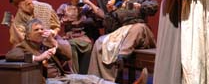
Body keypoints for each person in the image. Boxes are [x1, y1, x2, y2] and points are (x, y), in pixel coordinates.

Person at [6, 18, 146, 84]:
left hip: (63, 76)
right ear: (28, 34)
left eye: (42, 28)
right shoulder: (24, 46)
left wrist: (54, 42)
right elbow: (11, 55)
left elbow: (67, 54)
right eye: (37, 30)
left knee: (92, 79)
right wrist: (37, 58)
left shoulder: (48, 41)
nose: (41, 31)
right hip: (46, 80)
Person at [88, 0, 157, 82]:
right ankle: (97, 79)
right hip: (123, 32)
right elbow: (110, 27)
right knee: (100, 41)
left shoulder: (139, 0)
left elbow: (154, 6)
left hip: (141, 32)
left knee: (137, 27)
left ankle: (122, 57)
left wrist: (141, 6)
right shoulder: (118, 7)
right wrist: (110, 12)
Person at [57, 0, 101, 74]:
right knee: (72, 45)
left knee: (89, 46)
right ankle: (75, 76)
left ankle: (84, 75)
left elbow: (101, 15)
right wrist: (66, 20)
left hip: (82, 35)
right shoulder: (64, 7)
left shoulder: (85, 7)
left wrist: (89, 3)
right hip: (70, 35)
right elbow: (56, 22)